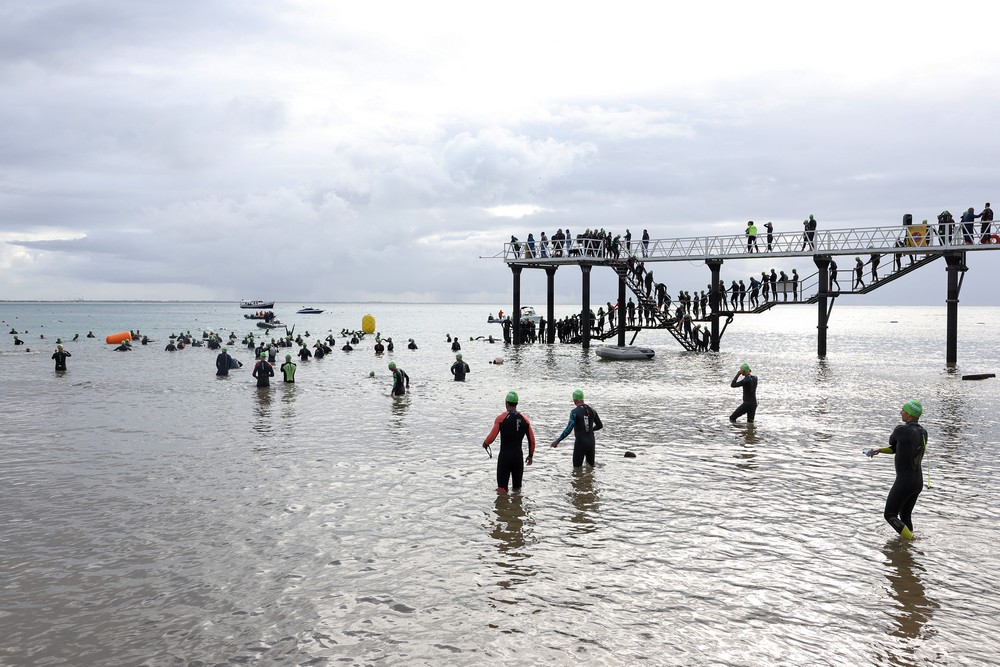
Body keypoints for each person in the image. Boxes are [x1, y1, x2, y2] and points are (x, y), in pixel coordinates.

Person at [865, 401, 927, 540]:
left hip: (905, 481)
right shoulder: (924, 432)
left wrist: (886, 446)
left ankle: (911, 541)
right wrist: (879, 450)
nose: (901, 412)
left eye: (903, 410)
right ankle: (907, 546)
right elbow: (897, 448)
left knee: (890, 515)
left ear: (910, 414)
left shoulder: (900, 430)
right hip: (917, 481)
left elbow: (892, 441)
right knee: (905, 515)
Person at [482, 390, 536, 494]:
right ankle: (516, 503)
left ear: (506, 403)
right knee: (517, 489)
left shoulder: (501, 418)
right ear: (516, 404)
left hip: (505, 457)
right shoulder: (525, 419)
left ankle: (503, 503)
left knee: (502, 490)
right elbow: (532, 440)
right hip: (518, 458)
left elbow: (492, 437)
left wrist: (485, 443)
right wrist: (530, 456)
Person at [550, 388, 604, 468]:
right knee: (590, 467)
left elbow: (568, 429)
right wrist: (589, 429)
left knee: (576, 469)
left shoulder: (574, 412)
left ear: (575, 400)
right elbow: (600, 425)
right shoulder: (592, 411)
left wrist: (557, 441)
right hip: (591, 442)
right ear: (582, 398)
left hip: (580, 443)